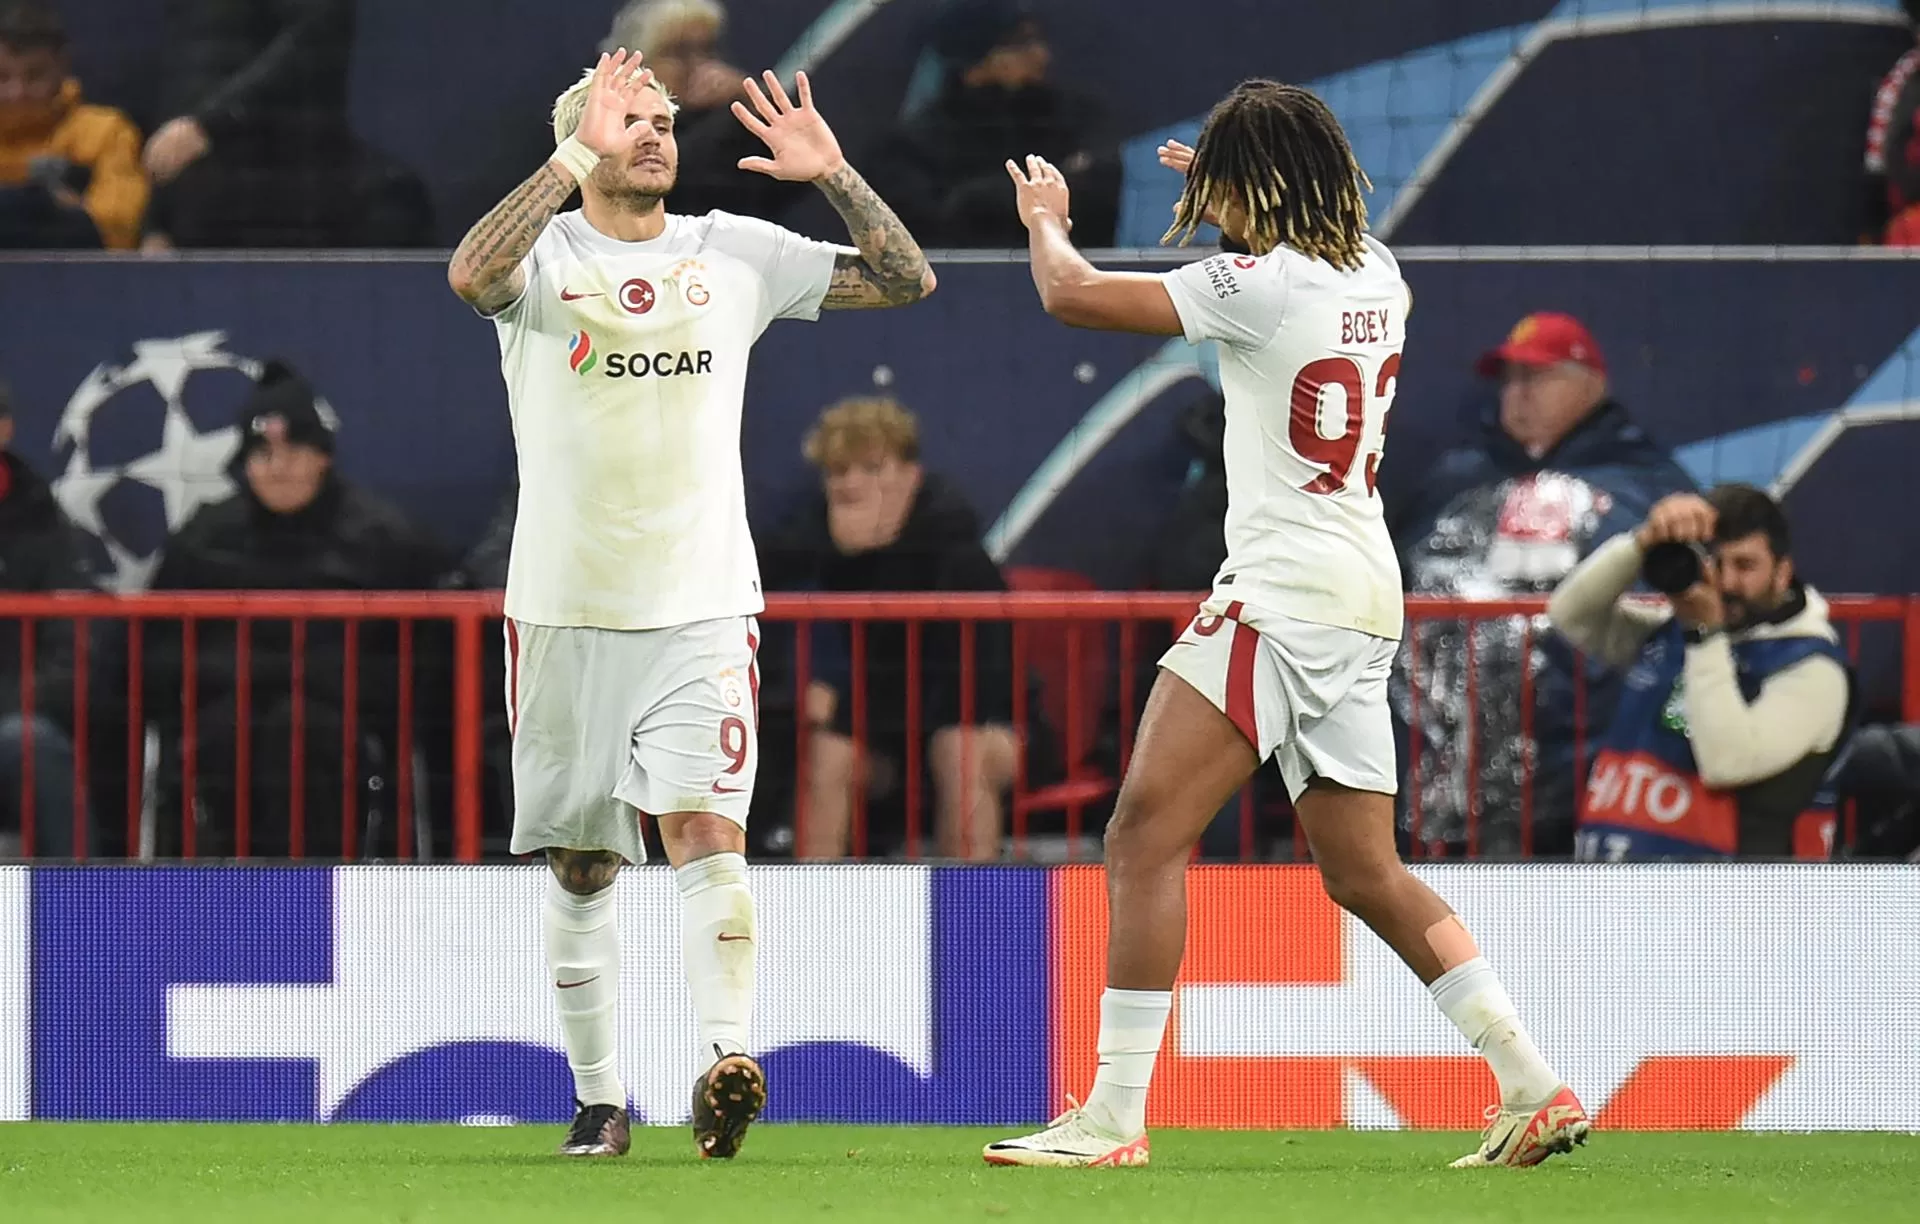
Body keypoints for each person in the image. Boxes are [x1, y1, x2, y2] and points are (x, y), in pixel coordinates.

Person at [985, 79, 1586, 1169]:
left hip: (1279, 596)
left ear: (1249, 189)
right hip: (1363, 598)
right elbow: (1304, 242)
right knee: (1365, 873)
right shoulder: (1379, 275)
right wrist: (1234, 190)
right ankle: (1528, 1079)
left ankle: (1115, 1117)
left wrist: (1045, 222)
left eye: (1222, 182)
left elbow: (1072, 296)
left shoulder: (1254, 288)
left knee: (1141, 838)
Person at [445, 50, 935, 1159]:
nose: (658, 135)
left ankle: (724, 1062)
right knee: (583, 865)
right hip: (566, 612)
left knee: (706, 833)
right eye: (631, 120)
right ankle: (600, 1100)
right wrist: (572, 152)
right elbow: (471, 276)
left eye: (665, 120)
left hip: (703, 607)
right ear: (582, 145)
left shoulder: (734, 252)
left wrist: (837, 173)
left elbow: (907, 281)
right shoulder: (543, 257)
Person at [1385, 312, 1694, 858]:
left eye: (1536, 378)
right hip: (1438, 764)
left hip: (1581, 757)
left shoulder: (1645, 485)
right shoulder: (1455, 476)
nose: (1518, 394)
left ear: (1589, 384)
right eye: (1510, 380)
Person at [761, 396, 1020, 862]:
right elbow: (759, 576)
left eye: (872, 468)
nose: (852, 486)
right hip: (882, 733)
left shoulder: (956, 548)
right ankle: (808, 919)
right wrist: (838, 550)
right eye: (839, 472)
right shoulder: (817, 542)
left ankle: (975, 919)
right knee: (829, 754)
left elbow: (976, 689)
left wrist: (890, 551)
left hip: (981, 725)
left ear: (911, 475)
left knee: (960, 750)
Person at [1548, 486, 1852, 860]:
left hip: (1726, 906)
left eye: (1745, 566)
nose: (1725, 583)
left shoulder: (1812, 667)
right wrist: (1644, 541)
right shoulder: (1673, 634)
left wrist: (1705, 635)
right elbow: (1570, 614)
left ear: (1782, 571)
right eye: (1714, 561)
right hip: (1620, 891)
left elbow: (1729, 762)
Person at [0, 0, 148, 249]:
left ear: (62, 66)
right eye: (1, 77)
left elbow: (118, 229)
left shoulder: (108, 132)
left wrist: (66, 219)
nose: (17, 92)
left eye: (35, 75)